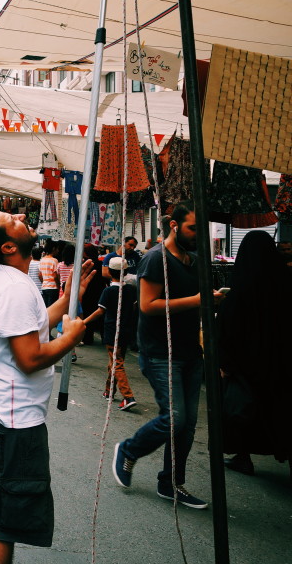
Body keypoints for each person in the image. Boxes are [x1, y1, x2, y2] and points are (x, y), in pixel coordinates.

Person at [0, 208, 94, 563]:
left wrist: (70, 295)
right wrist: (70, 340)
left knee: (0, 514)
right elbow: (31, 357)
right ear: (8, 246)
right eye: (13, 220)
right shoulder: (13, 288)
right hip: (12, 424)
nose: (23, 215)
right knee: (0, 525)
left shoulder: (2, 276)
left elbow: (35, 324)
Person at [113, 201, 223, 509]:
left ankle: (171, 483)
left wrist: (210, 301)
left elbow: (195, 300)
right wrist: (198, 301)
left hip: (190, 350)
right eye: (192, 228)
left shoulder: (195, 259)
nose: (197, 234)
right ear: (174, 225)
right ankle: (129, 450)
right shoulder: (154, 258)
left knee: (187, 425)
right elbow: (148, 306)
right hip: (161, 351)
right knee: (174, 417)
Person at [217, 230, 290, 476]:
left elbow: (225, 332)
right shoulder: (285, 287)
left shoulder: (239, 294)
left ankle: (243, 456)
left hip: (245, 367)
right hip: (280, 364)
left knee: (245, 412)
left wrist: (225, 363)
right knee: (280, 411)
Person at [83, 256, 138, 410]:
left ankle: (128, 397)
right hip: (126, 331)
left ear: (109, 271)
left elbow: (100, 311)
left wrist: (84, 322)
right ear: (126, 271)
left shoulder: (108, 291)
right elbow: (133, 309)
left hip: (111, 330)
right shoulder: (131, 290)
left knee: (117, 363)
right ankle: (109, 391)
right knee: (115, 362)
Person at [38, 241, 59, 307]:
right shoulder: (54, 260)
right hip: (53, 287)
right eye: (57, 249)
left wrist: (44, 282)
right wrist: (58, 286)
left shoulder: (42, 260)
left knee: (46, 307)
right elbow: (55, 276)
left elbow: (40, 275)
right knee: (52, 307)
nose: (58, 251)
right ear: (53, 249)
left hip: (44, 287)